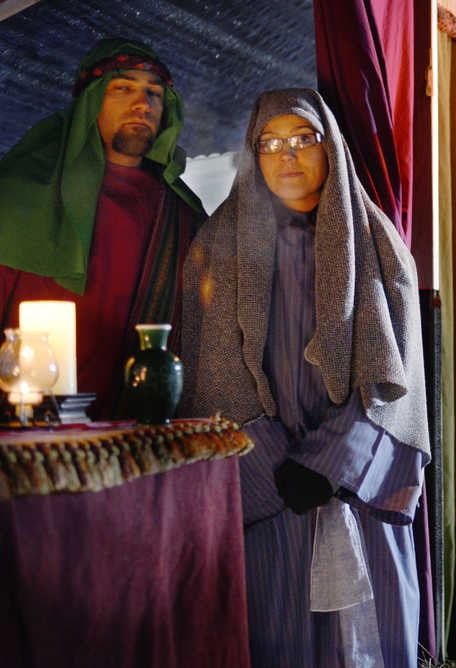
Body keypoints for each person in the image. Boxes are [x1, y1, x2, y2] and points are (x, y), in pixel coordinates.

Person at [181, 89, 429, 667]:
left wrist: (333, 462)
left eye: (303, 140)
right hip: (266, 491)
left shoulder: (378, 248)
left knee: (371, 638)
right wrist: (267, 464)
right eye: (270, 143)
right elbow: (207, 369)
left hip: (357, 487)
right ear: (252, 154)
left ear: (332, 149)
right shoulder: (216, 246)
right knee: (275, 633)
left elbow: (399, 379)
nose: (286, 156)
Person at [0, 39, 204, 419]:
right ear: (90, 102)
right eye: (123, 89)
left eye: (154, 94)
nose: (143, 104)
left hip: (143, 433)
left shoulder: (184, 215)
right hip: (29, 430)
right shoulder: (21, 193)